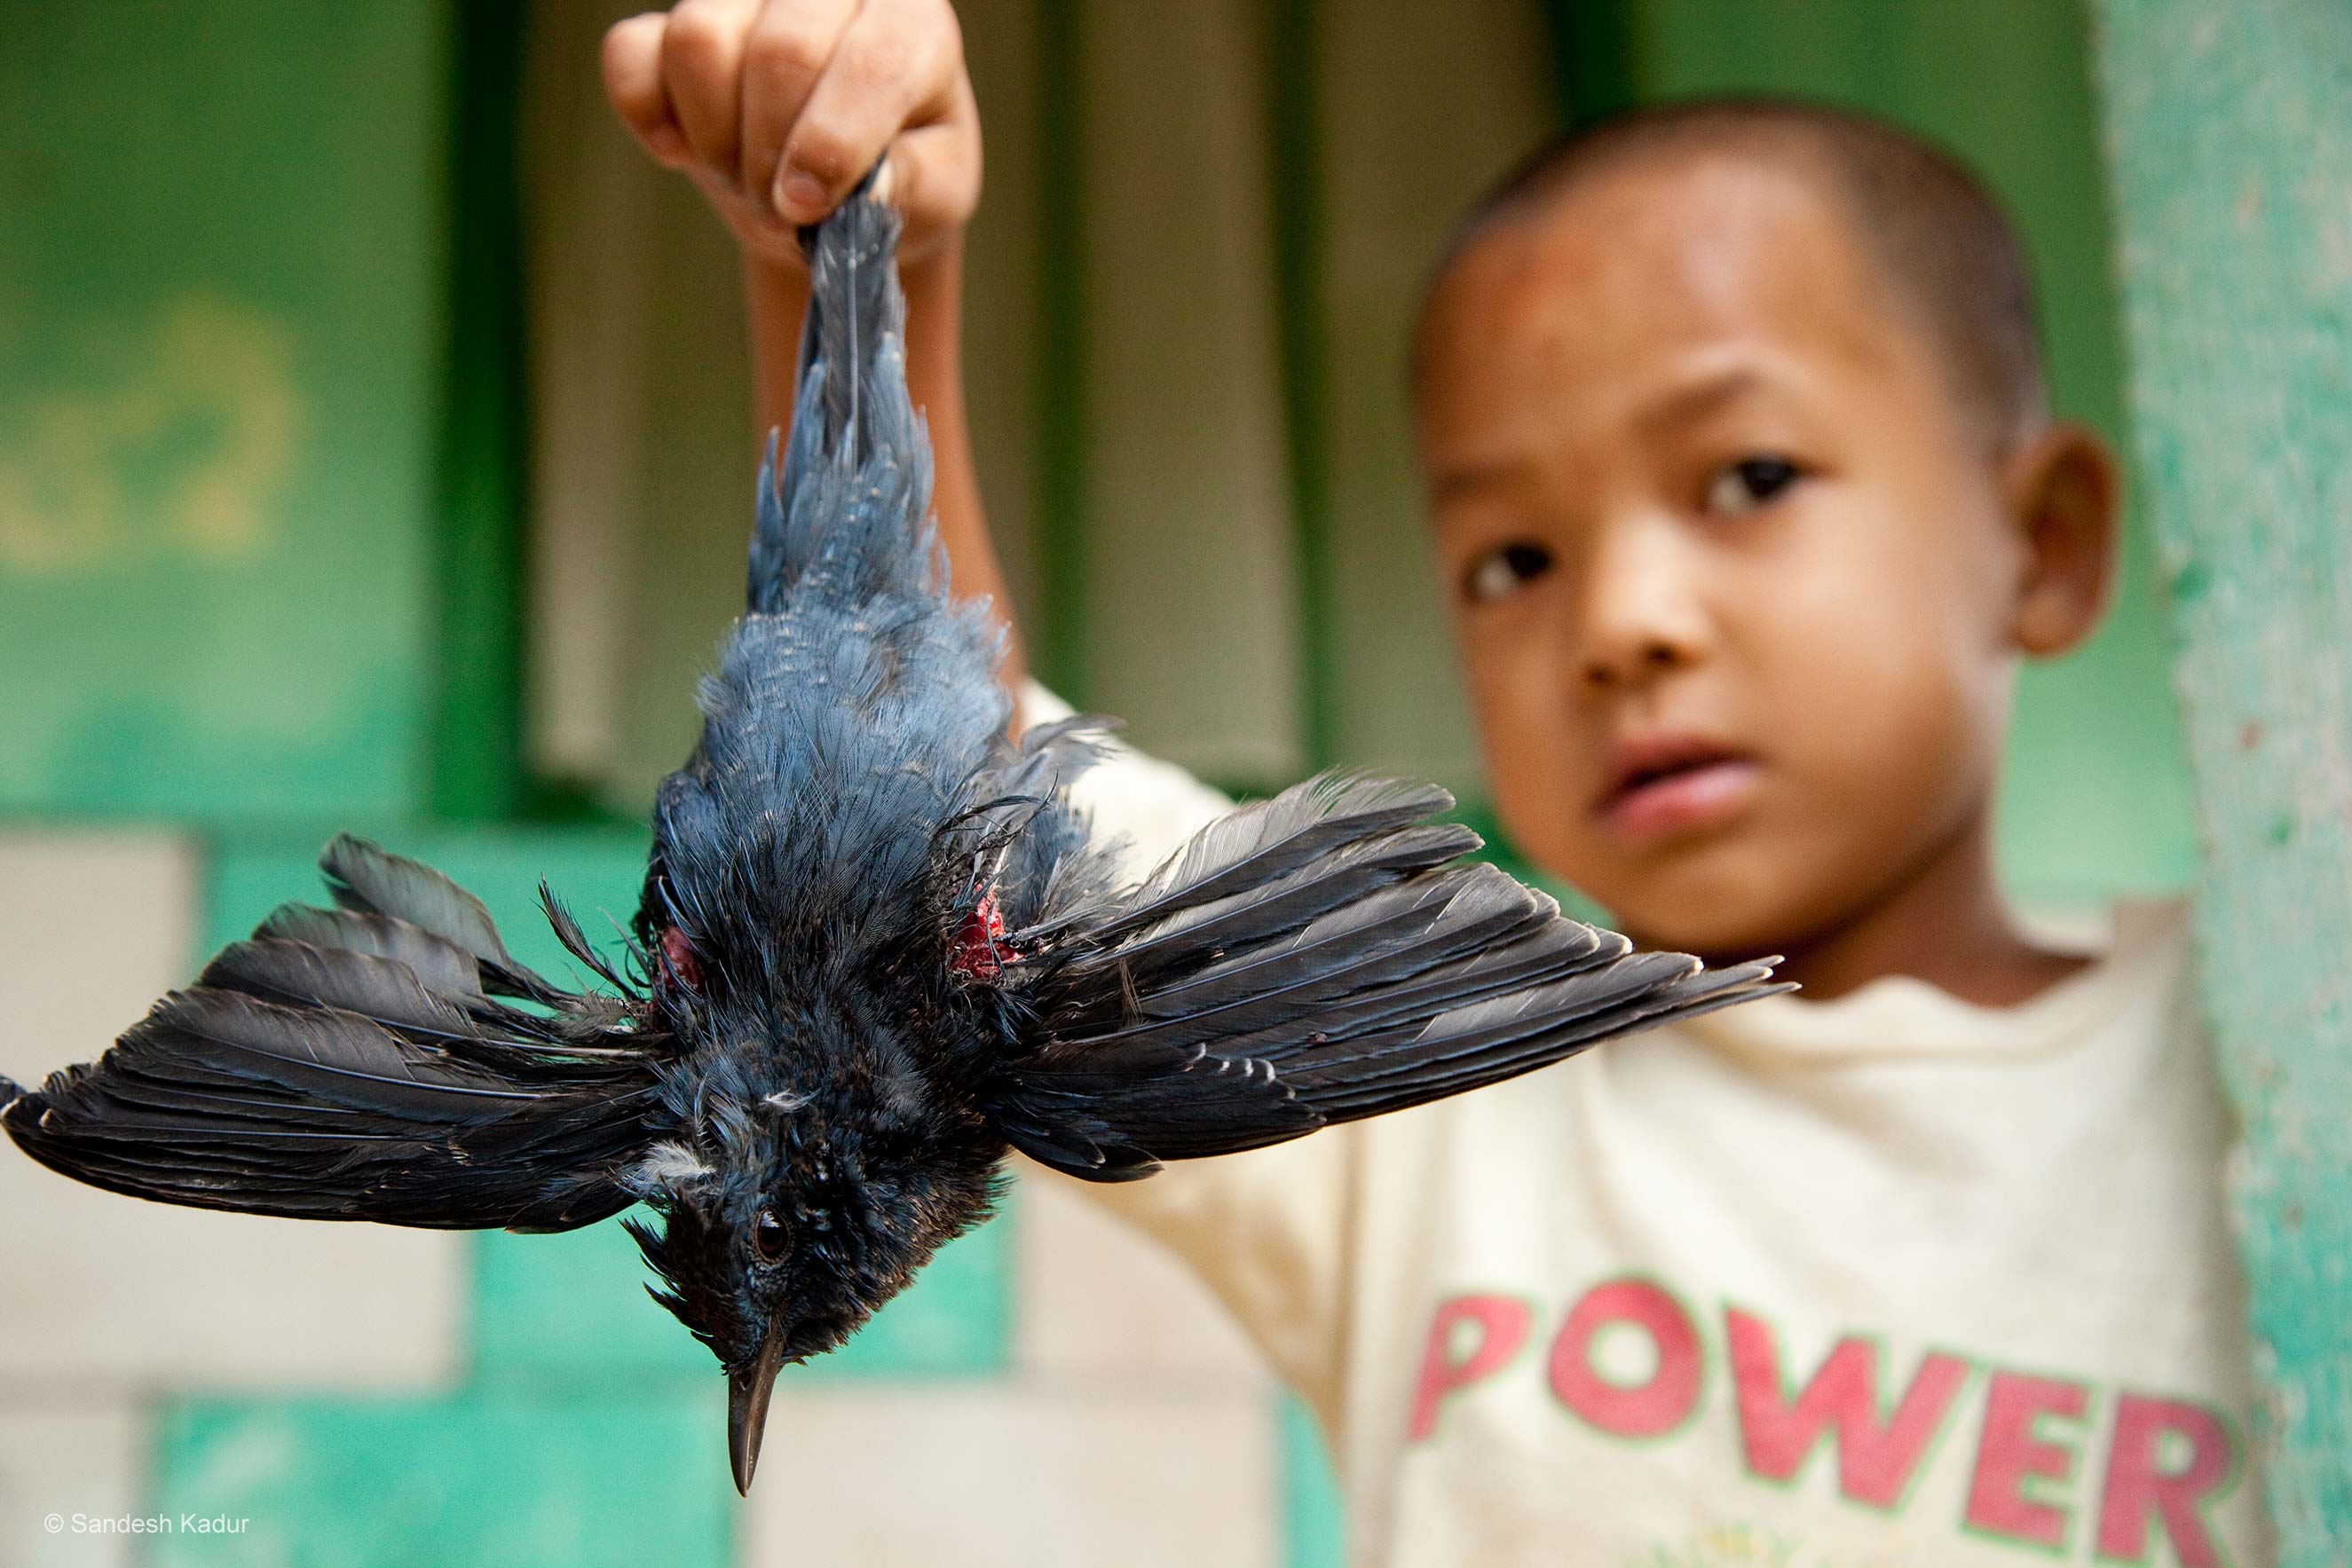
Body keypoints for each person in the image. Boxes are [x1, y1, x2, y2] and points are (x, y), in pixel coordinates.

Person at [601, 5, 2263, 1563]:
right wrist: (859, 265)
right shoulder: (1424, 1098)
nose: (1620, 624)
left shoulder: (2263, 1083)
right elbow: (955, 797)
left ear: (2038, 545)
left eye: (1748, 478)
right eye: (1510, 560)